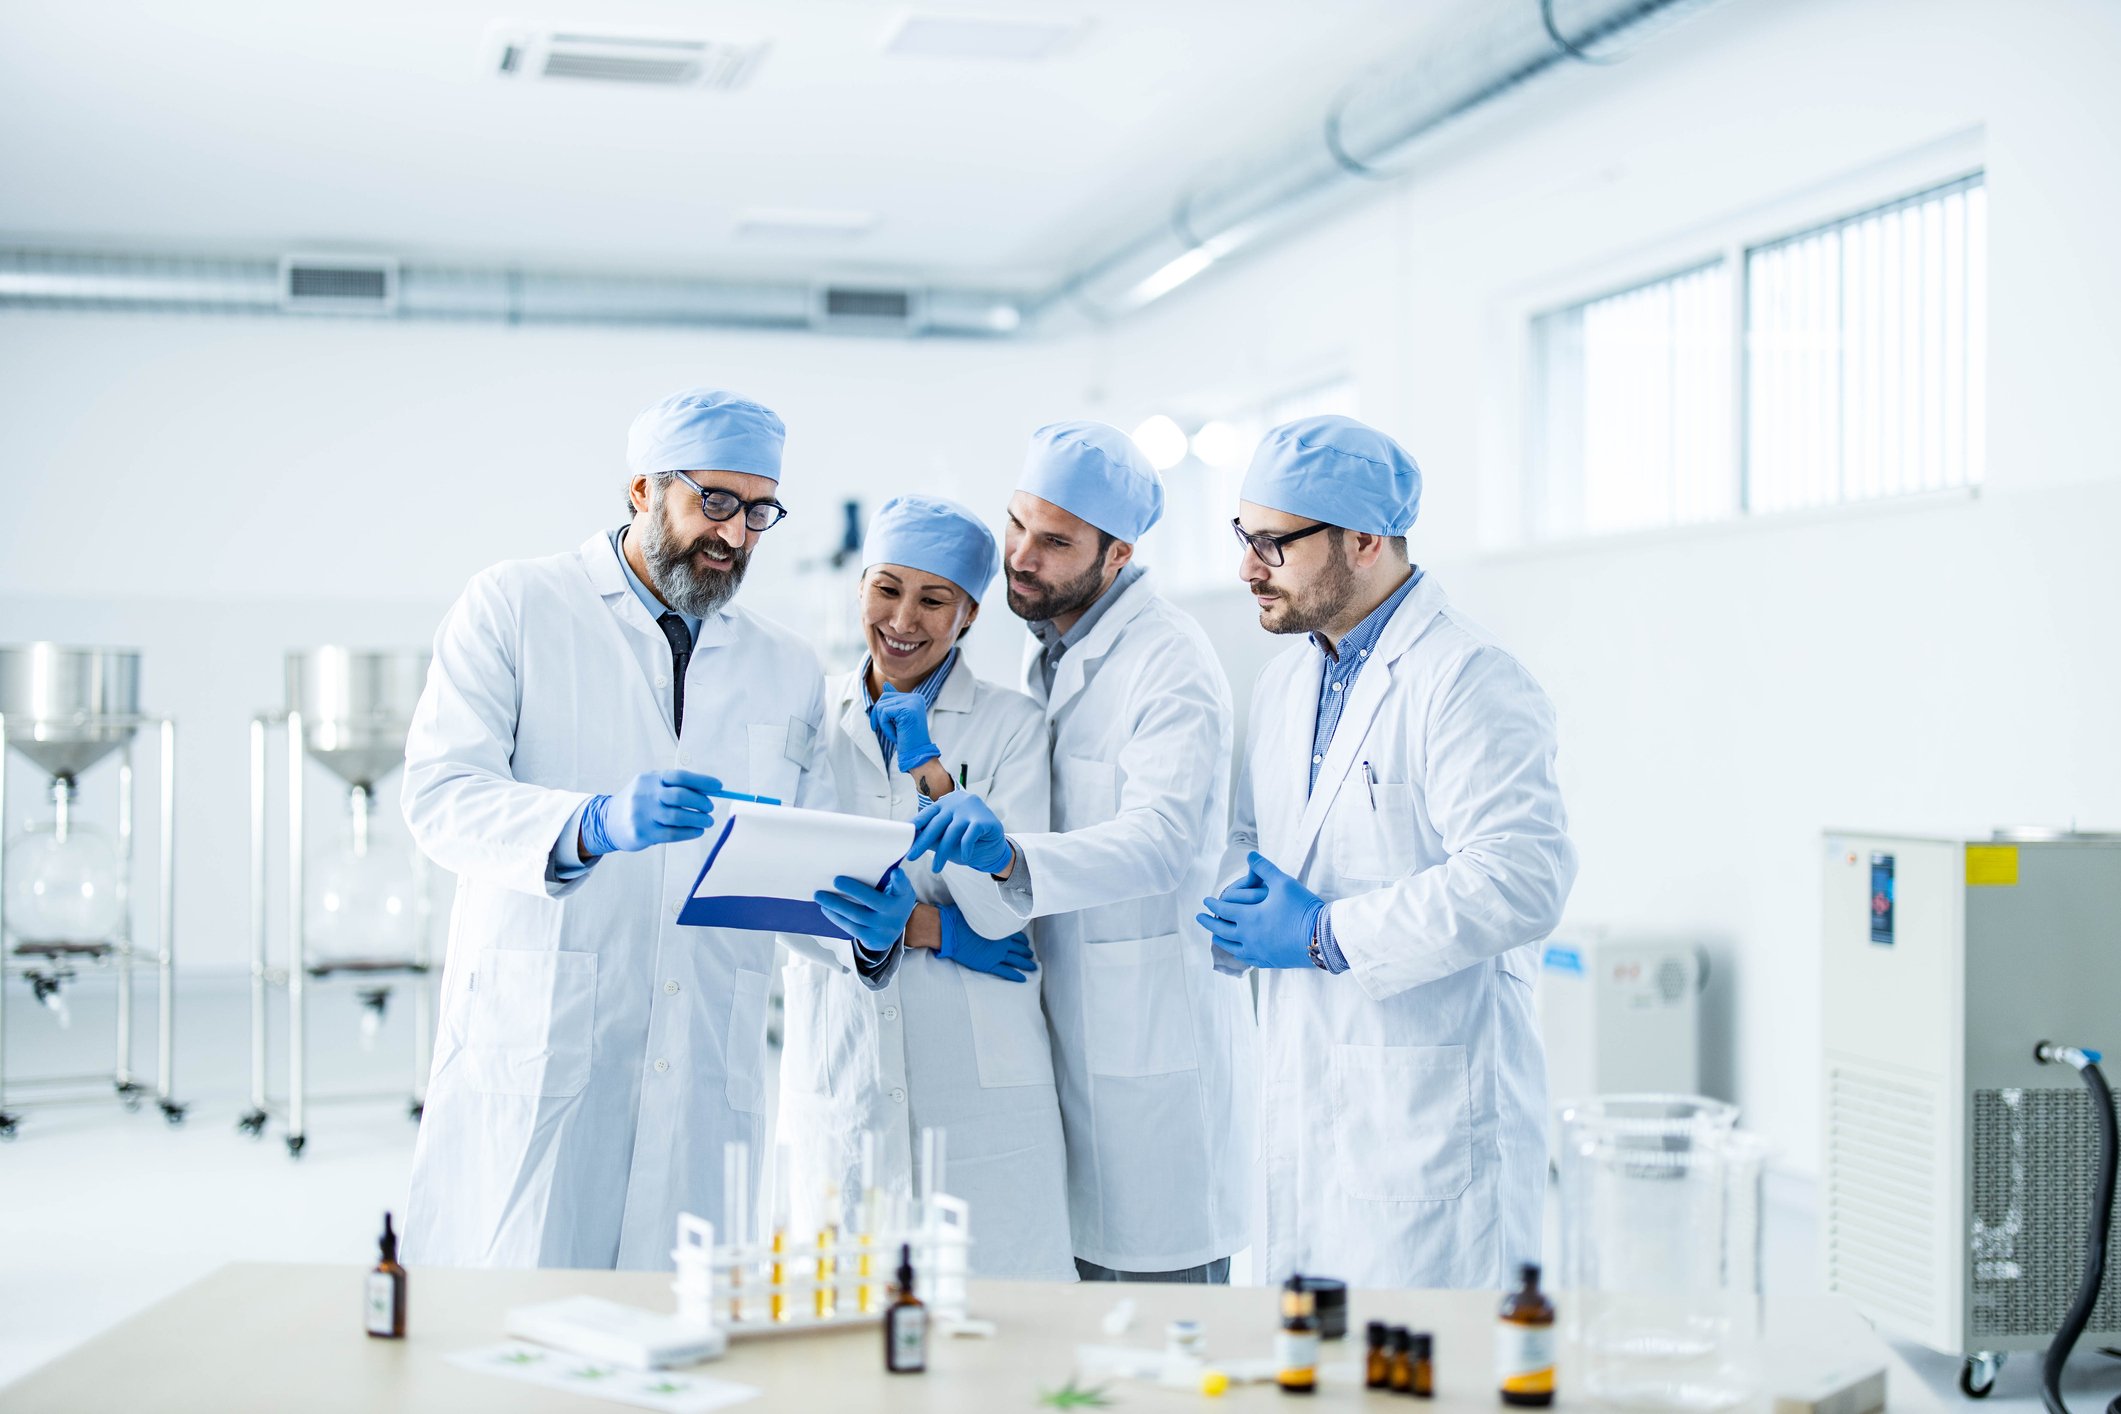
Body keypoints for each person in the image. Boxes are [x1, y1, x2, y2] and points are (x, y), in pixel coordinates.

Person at [400, 388, 917, 1269]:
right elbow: (440, 794)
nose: (736, 535)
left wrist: (862, 932)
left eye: (760, 511)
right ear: (642, 490)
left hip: (706, 1049)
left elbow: (802, 861)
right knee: (518, 1304)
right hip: (546, 1039)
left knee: (680, 1332)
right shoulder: (516, 606)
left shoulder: (785, 665)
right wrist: (587, 824)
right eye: (713, 501)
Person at [1196, 415, 1576, 1288]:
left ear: (1364, 540)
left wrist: (1326, 933)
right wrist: (1234, 906)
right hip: (1306, 1085)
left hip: (1428, 1107)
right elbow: (1260, 838)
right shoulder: (1295, 671)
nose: (1247, 568)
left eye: (1272, 544)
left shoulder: (1467, 677)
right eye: (1242, 537)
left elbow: (1521, 878)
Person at [908, 422, 1254, 1284]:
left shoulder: (1166, 661)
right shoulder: (1052, 659)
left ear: (1116, 553)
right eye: (1017, 525)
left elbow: (1163, 840)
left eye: (1053, 542)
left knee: (1160, 1335)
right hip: (1061, 1055)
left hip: (1149, 1062)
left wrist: (1012, 860)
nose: (1019, 556)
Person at [778, 495, 1076, 1281]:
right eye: (887, 588)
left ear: (970, 613)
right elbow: (782, 889)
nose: (903, 618)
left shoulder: (1012, 724)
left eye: (933, 598)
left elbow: (1007, 906)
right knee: (847, 1332)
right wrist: (918, 931)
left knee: (1000, 1321)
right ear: (860, 587)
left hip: (978, 1084)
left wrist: (932, 774)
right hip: (844, 1063)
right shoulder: (809, 718)